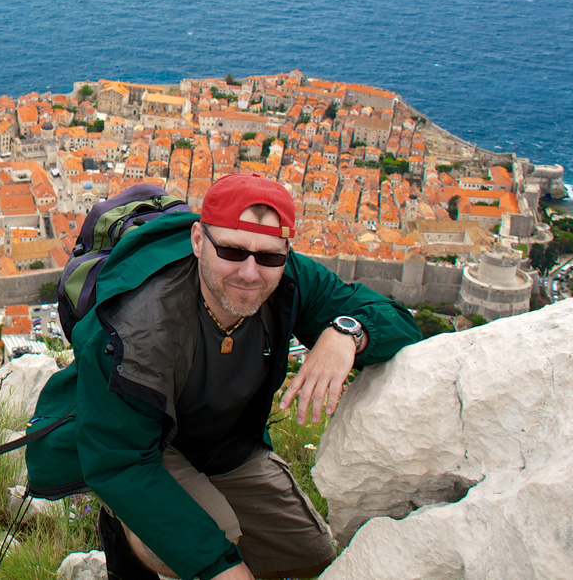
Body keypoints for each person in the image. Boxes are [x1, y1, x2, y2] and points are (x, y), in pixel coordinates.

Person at [64, 173, 421, 580]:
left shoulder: (289, 280)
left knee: (312, 555)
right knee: (218, 545)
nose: (250, 273)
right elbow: (118, 462)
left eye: (269, 256)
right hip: (147, 448)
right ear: (198, 241)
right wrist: (219, 567)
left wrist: (347, 333)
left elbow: (399, 321)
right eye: (232, 251)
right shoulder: (130, 325)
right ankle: (125, 533)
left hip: (227, 446)